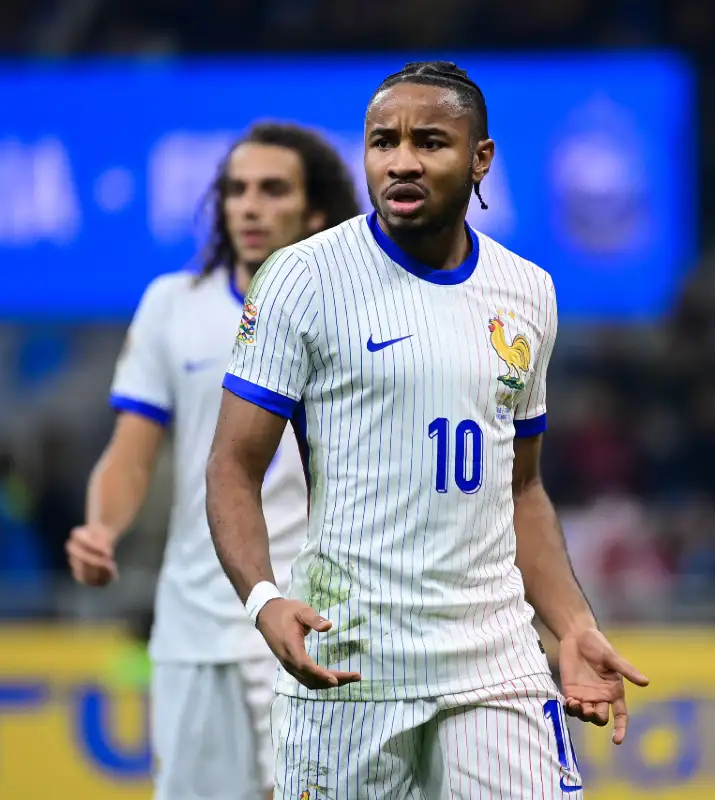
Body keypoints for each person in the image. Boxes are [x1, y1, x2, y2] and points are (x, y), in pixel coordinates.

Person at [207, 61, 649, 799]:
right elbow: (232, 466)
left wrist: (572, 624)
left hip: (494, 661)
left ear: (481, 159)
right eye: (384, 142)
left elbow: (521, 489)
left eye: (431, 142)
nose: (402, 161)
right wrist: (263, 600)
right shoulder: (303, 279)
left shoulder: (528, 291)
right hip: (346, 659)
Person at [65, 122, 360, 800]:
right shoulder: (173, 305)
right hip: (196, 625)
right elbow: (131, 451)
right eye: (236, 190)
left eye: (272, 190)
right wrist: (101, 528)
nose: (249, 206)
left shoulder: (356, 316)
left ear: (316, 211)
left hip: (321, 621)